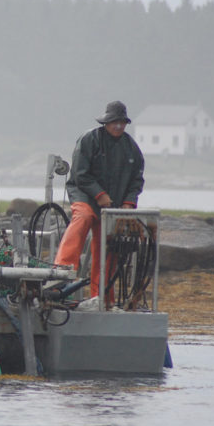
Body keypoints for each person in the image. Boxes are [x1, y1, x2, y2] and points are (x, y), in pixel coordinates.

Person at [54, 100, 145, 301]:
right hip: (84, 195)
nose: (118, 126)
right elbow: (80, 174)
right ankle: (62, 268)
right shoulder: (89, 139)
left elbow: (137, 180)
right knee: (84, 217)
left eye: (122, 122)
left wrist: (129, 203)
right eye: (114, 122)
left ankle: (102, 296)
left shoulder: (131, 148)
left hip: (113, 206)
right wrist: (99, 194)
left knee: (108, 247)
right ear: (106, 122)